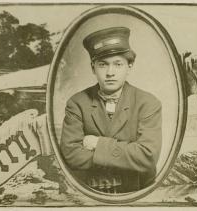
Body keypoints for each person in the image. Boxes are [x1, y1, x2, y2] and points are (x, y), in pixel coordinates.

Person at [60, 27, 162, 193]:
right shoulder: (77, 103)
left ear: (129, 66)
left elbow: (147, 157)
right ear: (93, 68)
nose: (110, 72)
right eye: (103, 65)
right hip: (91, 192)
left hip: (138, 192)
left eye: (118, 64)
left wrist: (97, 144)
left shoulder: (148, 103)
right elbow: (71, 155)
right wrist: (127, 154)